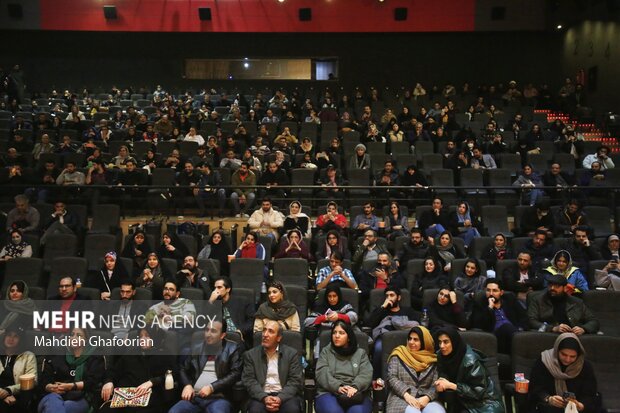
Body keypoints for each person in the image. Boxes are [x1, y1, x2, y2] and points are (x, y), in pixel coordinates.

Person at [170, 320, 242, 413]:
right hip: (194, 397)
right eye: (207, 330)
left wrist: (212, 387)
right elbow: (183, 368)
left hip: (218, 398)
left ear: (222, 335)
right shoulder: (197, 348)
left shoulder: (232, 348)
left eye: (213, 331)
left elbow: (236, 373)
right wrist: (187, 385)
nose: (208, 334)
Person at [100, 327, 175, 413]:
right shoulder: (131, 353)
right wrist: (109, 381)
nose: (142, 339)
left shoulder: (164, 354)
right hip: (124, 397)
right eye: (140, 336)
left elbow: (172, 374)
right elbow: (113, 371)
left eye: (147, 336)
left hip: (149, 398)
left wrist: (151, 382)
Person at [434, 327, 504, 413]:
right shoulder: (441, 355)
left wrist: (452, 385)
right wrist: (441, 380)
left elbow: (478, 391)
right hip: (463, 401)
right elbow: (443, 371)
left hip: (484, 404)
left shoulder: (471, 361)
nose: (442, 346)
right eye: (440, 342)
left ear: (454, 341)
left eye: (446, 342)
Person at [242, 320, 303, 413]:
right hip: (261, 395)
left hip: (285, 395)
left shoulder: (291, 354)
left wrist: (280, 398)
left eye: (270, 331)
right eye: (264, 330)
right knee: (255, 410)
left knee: (292, 410)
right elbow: (249, 380)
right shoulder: (251, 355)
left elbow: (295, 380)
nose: (265, 334)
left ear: (279, 338)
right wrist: (264, 398)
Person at [39, 327, 105, 413]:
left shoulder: (94, 357)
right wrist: (49, 387)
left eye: (79, 335)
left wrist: (69, 386)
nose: (74, 338)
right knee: (53, 402)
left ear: (86, 339)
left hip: (80, 398)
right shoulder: (59, 355)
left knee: (56, 408)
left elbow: (93, 382)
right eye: (72, 335)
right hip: (54, 395)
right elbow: (45, 378)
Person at [528, 333, 599, 413]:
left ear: (578, 355)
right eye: (563, 354)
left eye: (572, 356)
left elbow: (590, 394)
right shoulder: (544, 361)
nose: (567, 359)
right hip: (549, 407)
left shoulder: (585, 366)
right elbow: (535, 388)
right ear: (557, 350)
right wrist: (548, 399)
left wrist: (581, 405)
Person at [315, 321, 373, 413]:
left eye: (341, 333)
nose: (337, 336)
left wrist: (355, 387)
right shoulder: (326, 352)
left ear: (349, 337)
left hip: (356, 392)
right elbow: (322, 373)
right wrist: (338, 386)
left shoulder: (360, 353)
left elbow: (366, 373)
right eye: (334, 333)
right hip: (329, 392)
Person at [386, 326, 445, 413]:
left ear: (424, 342)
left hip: (426, 399)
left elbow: (436, 384)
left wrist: (427, 397)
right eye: (410, 339)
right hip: (401, 398)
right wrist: (406, 395)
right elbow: (391, 378)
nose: (411, 342)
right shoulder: (398, 355)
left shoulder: (433, 360)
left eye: (416, 339)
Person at [367, 286, 420, 378]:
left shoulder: (407, 310)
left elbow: (417, 324)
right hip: (384, 338)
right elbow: (370, 324)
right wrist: (383, 307)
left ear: (398, 297)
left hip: (405, 338)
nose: (389, 298)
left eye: (392, 295)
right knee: (378, 349)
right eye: (387, 296)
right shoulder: (382, 311)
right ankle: (377, 379)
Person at [527, 273, 599, 334]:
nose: (552, 288)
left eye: (557, 286)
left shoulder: (576, 302)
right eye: (550, 285)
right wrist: (553, 328)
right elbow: (531, 321)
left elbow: (593, 321)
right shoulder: (538, 300)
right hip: (549, 335)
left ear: (565, 288)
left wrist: (583, 329)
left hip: (572, 335)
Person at [470, 279, 527, 354]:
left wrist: (520, 328)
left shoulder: (510, 299)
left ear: (501, 292)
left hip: (514, 333)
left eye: (494, 291)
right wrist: (490, 308)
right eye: (488, 290)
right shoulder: (480, 304)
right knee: (507, 327)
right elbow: (480, 325)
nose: (491, 294)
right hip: (495, 336)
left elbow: (524, 316)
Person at [305, 284, 359, 357]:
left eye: (334, 296)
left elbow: (354, 317)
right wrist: (324, 318)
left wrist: (339, 316)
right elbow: (307, 322)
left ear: (338, 296)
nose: (332, 299)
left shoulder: (345, 305)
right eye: (329, 296)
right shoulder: (320, 308)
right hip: (324, 334)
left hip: (343, 336)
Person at [0, 326, 37, 413]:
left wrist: (9, 391)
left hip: (18, 395)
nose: (11, 339)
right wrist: (3, 394)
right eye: (9, 335)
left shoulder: (28, 356)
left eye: (15, 336)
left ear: (21, 340)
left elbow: (32, 381)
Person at [207, 276, 255, 343]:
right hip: (219, 338)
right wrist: (210, 301)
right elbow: (203, 321)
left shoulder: (243, 301)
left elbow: (251, 321)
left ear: (228, 289)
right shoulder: (215, 304)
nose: (216, 291)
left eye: (219, 287)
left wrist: (241, 330)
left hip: (238, 338)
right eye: (215, 288)